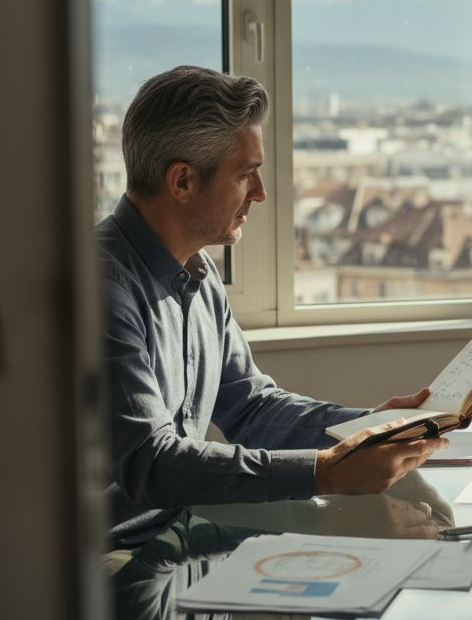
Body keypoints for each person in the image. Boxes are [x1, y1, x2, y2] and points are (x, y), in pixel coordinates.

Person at [99, 65, 448, 548]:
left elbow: (249, 404)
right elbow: (151, 465)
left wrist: (367, 431)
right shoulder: (102, 287)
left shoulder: (198, 273)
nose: (260, 193)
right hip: (107, 560)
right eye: (245, 175)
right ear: (182, 181)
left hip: (179, 535)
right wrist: (323, 472)